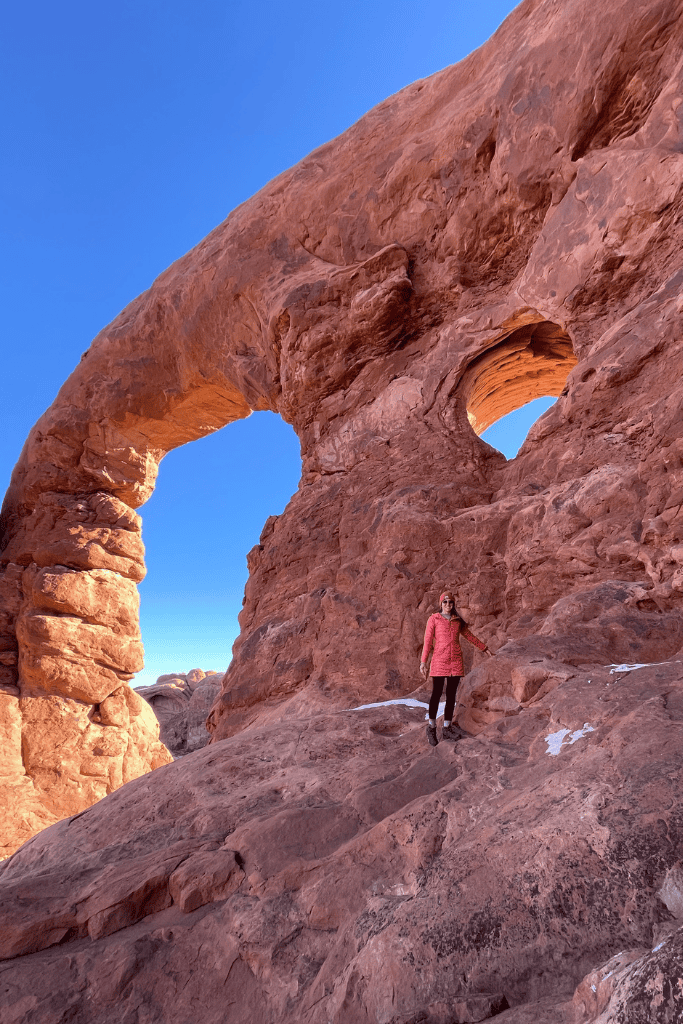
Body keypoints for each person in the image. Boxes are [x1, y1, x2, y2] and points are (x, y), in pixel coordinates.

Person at [420, 591, 492, 746]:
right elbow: (427, 642)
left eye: (450, 603)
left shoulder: (457, 621)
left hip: (456, 663)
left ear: (453, 605)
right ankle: (431, 727)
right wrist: (423, 662)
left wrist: (484, 648)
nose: (448, 605)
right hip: (439, 661)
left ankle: (447, 728)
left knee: (451, 696)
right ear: (441, 604)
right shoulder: (434, 619)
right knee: (436, 694)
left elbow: (470, 636)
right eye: (445, 602)